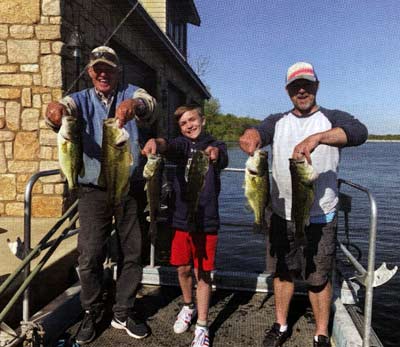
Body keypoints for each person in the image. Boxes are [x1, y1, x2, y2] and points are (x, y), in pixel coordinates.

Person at [239, 62, 368, 347]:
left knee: (318, 277)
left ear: (316, 86)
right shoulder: (277, 121)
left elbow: (359, 133)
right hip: (280, 214)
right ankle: (281, 324)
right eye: (295, 86)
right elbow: (257, 133)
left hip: (321, 215)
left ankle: (321, 333)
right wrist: (250, 138)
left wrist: (319, 138)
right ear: (287, 90)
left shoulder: (332, 117)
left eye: (307, 84)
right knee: (282, 272)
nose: (302, 90)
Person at [45, 46, 157, 344]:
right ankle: (91, 312)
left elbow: (149, 104)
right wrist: (54, 112)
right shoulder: (79, 99)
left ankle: (124, 311)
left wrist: (135, 105)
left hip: (127, 188)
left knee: (132, 252)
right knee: (89, 254)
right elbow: (61, 110)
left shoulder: (132, 92)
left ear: (118, 70)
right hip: (92, 190)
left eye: (108, 68)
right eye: (97, 69)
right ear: (90, 72)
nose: (103, 73)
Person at [142, 104, 228, 347]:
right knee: (182, 268)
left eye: (193, 120)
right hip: (181, 219)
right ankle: (188, 306)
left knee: (203, 273)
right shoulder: (180, 145)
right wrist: (155, 144)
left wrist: (214, 154)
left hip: (206, 220)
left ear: (203, 119)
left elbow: (221, 155)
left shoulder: (216, 144)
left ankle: (202, 325)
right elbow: (166, 145)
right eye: (183, 123)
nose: (189, 125)